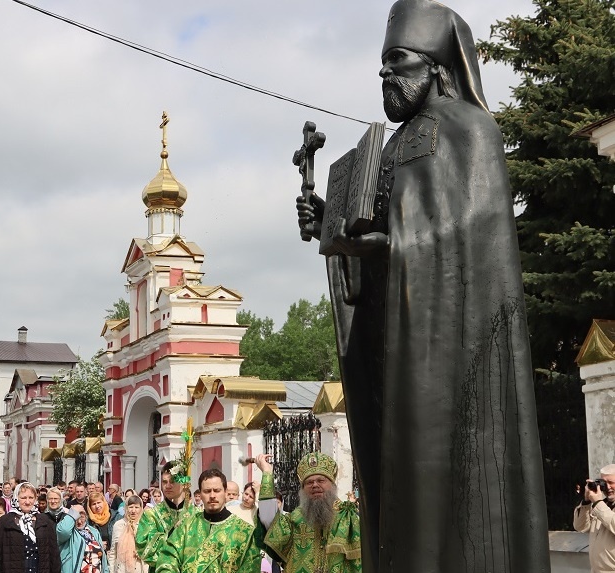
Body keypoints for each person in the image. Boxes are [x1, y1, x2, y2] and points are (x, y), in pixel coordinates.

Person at [293, 1, 552, 571]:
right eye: (382, 64)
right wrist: (332, 234)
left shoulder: (472, 131)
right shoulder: (390, 147)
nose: (385, 74)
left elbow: (467, 238)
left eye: (398, 60)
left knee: (458, 493)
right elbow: (382, 245)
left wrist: (383, 244)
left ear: (436, 65)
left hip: (456, 351)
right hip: (400, 346)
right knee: (401, 486)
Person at [256, 453, 360, 573]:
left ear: (332, 484)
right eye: (309, 482)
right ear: (303, 489)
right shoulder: (294, 519)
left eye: (321, 480)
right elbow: (269, 520)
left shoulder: (346, 517)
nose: (315, 485)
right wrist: (267, 474)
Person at [153, 469, 259, 573]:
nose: (212, 496)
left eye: (217, 490)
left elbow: (250, 567)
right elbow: (167, 560)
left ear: (225, 492)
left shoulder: (245, 532)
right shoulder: (185, 527)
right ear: (200, 494)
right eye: (207, 491)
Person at [0, 482, 61, 573]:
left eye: (31, 498)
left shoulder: (45, 522)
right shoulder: (4, 522)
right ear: (16, 498)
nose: (27, 502)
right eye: (23, 498)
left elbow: (54, 556)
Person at [135, 462, 198, 570]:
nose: (168, 486)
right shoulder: (151, 514)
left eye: (173, 481)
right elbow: (143, 548)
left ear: (184, 483)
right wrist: (173, 532)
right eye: (164, 482)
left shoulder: (197, 514)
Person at [573, 465, 615, 572]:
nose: (608, 487)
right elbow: (580, 527)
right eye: (604, 483)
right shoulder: (601, 506)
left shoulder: (600, 506)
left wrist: (598, 503)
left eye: (611, 482)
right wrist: (587, 502)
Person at [107, 496, 146, 573]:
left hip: (140, 568)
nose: (133, 510)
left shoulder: (145, 525)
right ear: (126, 508)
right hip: (122, 568)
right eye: (130, 507)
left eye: (136, 507)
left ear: (141, 508)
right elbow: (113, 551)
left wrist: (142, 552)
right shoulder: (118, 525)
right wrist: (111, 570)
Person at [69, 505, 107, 573]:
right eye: (76, 519)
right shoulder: (70, 533)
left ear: (86, 517)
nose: (79, 522)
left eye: (82, 517)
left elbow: (103, 556)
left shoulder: (94, 531)